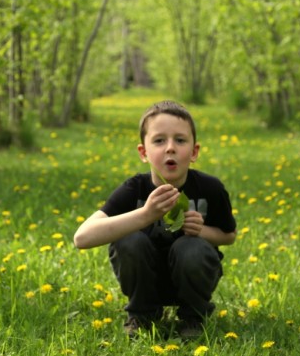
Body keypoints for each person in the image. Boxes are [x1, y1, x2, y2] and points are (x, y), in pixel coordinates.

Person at [73, 100, 237, 338]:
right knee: (129, 241)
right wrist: (145, 215)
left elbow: (229, 236)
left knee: (191, 247)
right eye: (159, 140)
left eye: (180, 140)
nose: (170, 148)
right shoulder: (135, 189)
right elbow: (82, 238)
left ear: (194, 152)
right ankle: (142, 316)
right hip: (144, 283)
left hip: (192, 279)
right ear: (144, 152)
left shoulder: (210, 189)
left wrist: (200, 232)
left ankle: (194, 318)